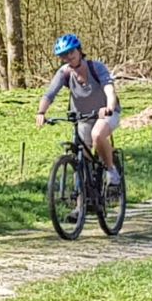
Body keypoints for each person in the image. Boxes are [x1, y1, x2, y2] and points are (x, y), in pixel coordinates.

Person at [35, 33, 120, 186]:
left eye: (71, 52)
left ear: (79, 51)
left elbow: (109, 89)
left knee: (97, 135)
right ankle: (82, 201)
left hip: (105, 114)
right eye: (63, 56)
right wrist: (41, 112)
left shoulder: (96, 67)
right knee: (82, 156)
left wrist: (109, 107)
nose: (68, 57)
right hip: (83, 117)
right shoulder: (64, 73)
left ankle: (111, 169)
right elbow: (49, 94)